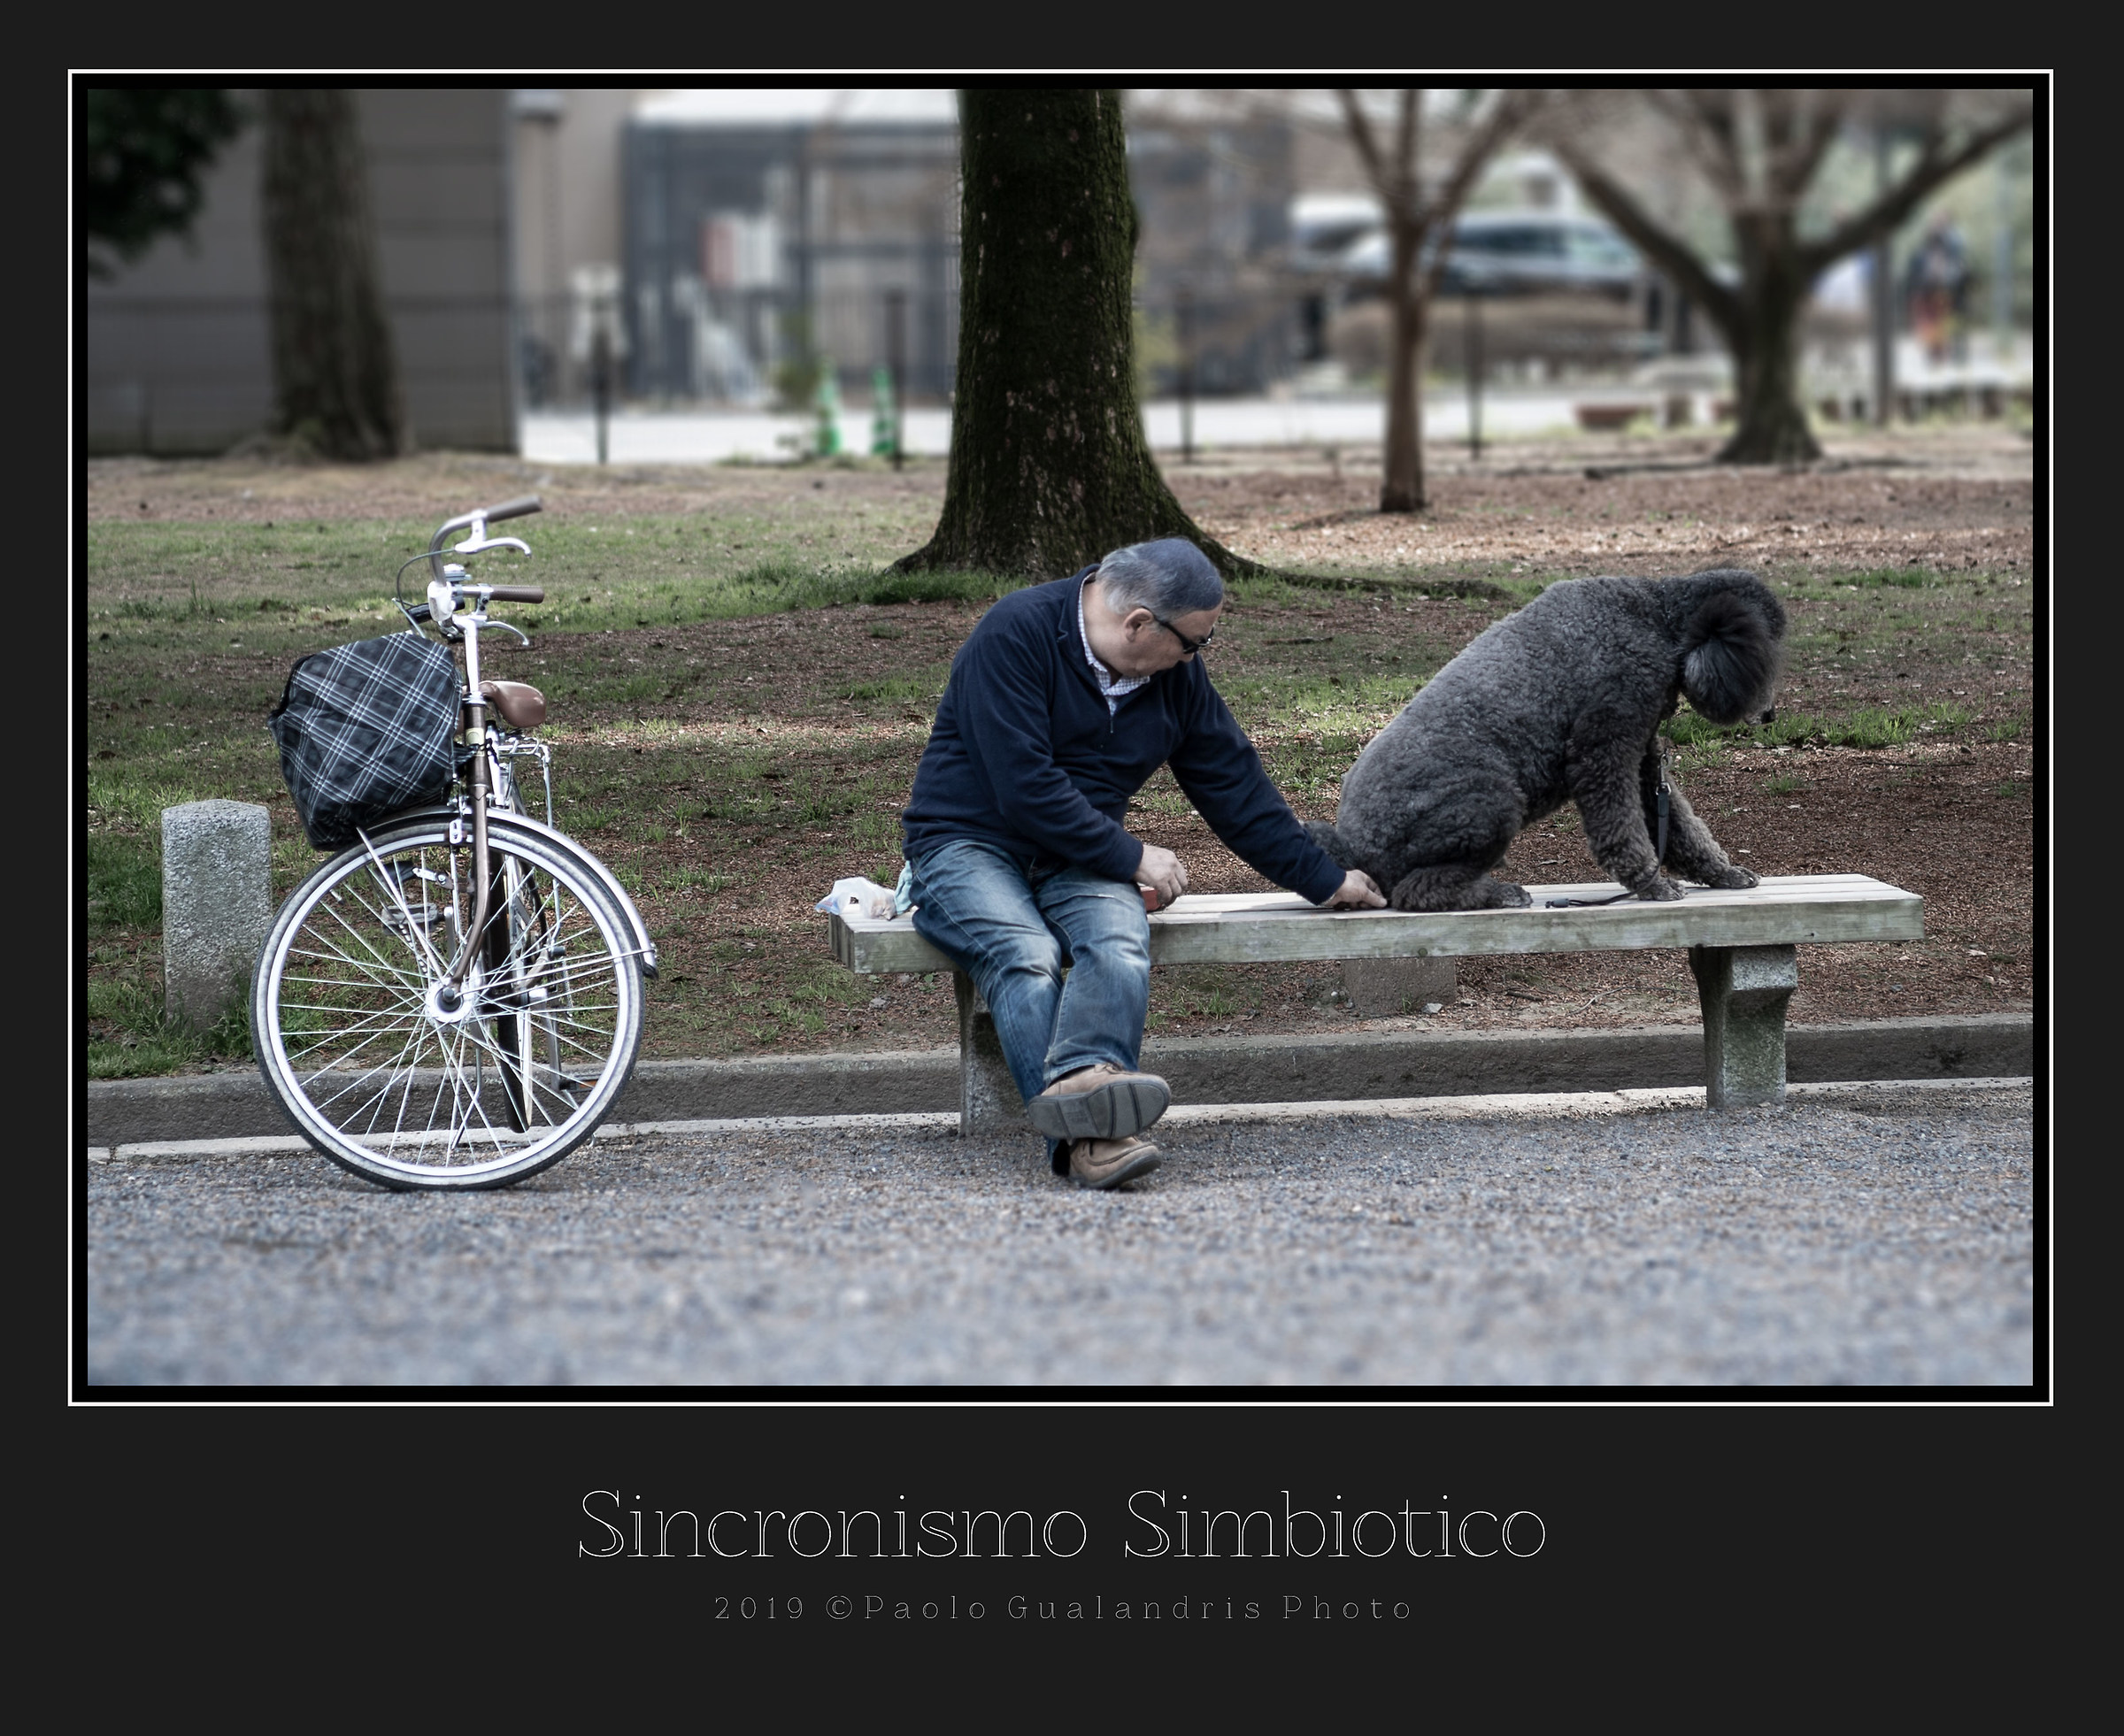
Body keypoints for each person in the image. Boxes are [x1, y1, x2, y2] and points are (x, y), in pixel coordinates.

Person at [898, 538, 1385, 1190]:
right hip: (964, 845)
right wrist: (1132, 854)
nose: (1196, 655)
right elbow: (1025, 787)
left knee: (1119, 942)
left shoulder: (1172, 673)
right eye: (1194, 641)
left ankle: (1091, 1106)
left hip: (1076, 854)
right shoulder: (1015, 633)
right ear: (1138, 624)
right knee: (1024, 953)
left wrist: (1323, 880)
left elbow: (1232, 785)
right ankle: (1093, 1135)